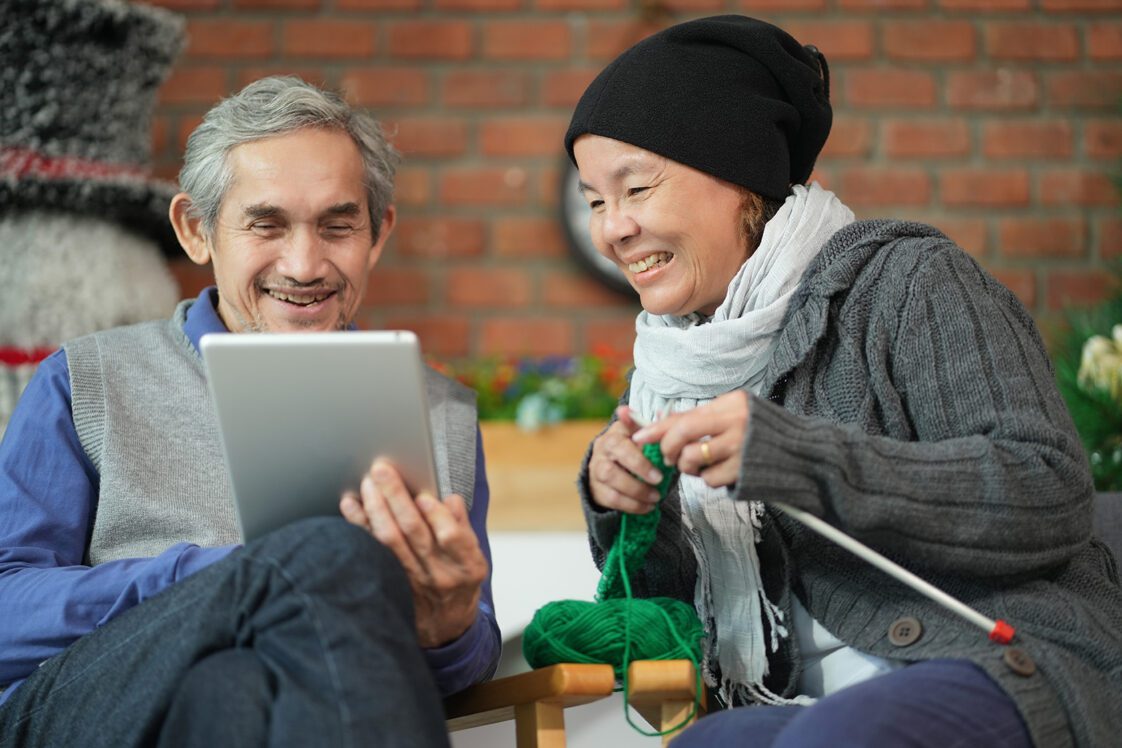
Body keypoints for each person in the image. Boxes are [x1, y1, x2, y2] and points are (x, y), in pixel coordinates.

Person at [570, 15, 1121, 748]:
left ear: (741, 180)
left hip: (997, 657)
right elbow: (685, 627)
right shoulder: (672, 367)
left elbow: (1047, 489)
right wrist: (630, 508)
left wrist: (799, 458)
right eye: (596, 201)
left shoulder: (911, 283)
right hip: (791, 702)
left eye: (636, 187)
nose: (614, 229)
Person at [0, 76, 500, 747]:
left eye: (337, 226)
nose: (303, 264)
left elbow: (458, 670)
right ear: (195, 230)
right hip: (87, 705)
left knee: (233, 688)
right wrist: (236, 577)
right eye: (266, 225)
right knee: (329, 554)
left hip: (255, 714)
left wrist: (452, 626)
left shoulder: (443, 416)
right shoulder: (86, 379)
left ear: (377, 233)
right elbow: (8, 614)